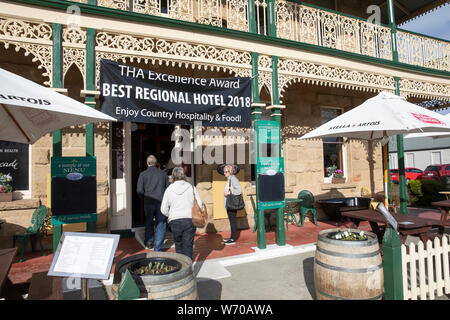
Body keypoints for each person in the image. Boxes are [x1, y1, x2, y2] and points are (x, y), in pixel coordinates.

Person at [160, 167, 202, 260]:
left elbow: (163, 209)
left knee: (178, 245)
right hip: (189, 219)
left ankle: (182, 268)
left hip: (175, 220)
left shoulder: (169, 189)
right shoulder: (191, 187)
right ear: (184, 175)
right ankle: (188, 269)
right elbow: (200, 205)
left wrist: (170, 215)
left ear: (173, 176)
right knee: (188, 245)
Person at [137, 155, 170, 251]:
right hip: (161, 202)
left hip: (149, 202)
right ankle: (158, 247)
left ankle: (149, 242)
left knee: (149, 222)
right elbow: (168, 187)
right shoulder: (163, 174)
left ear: (147, 163)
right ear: (156, 163)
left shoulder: (143, 174)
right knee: (161, 223)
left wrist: (142, 197)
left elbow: (139, 190)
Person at [223, 164, 242, 245]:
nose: (224, 173)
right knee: (232, 221)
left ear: (230, 171)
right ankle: (231, 237)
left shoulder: (233, 179)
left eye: (225, 172)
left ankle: (233, 239)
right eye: (224, 172)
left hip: (232, 203)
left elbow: (239, 190)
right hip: (229, 203)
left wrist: (229, 192)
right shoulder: (229, 179)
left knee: (233, 221)